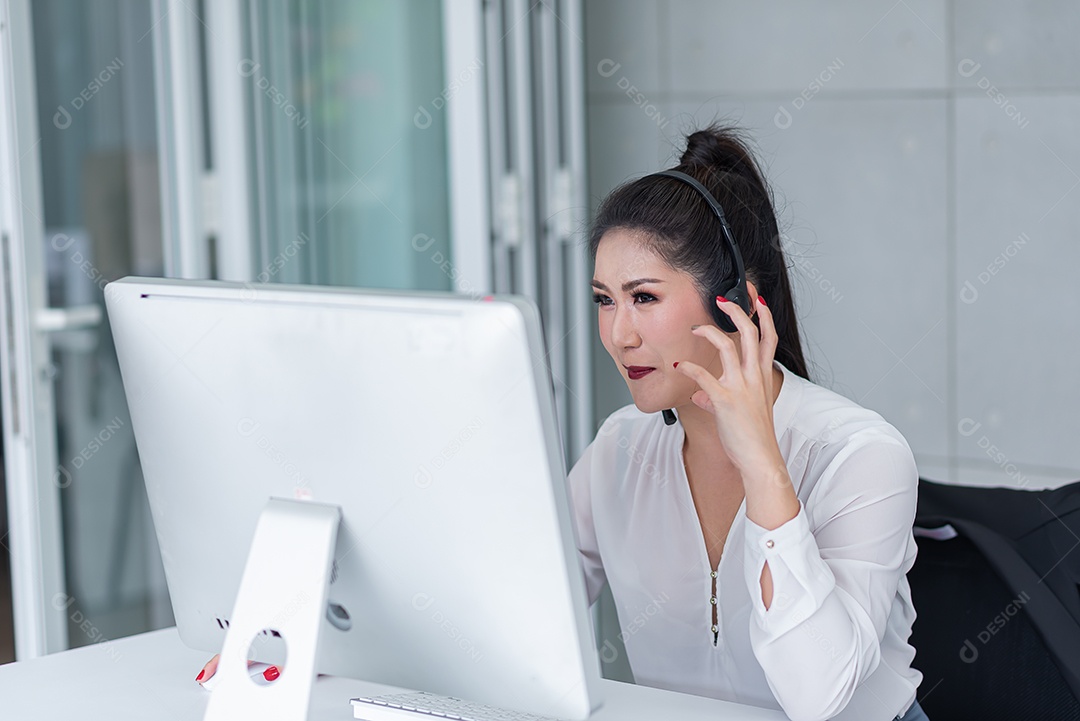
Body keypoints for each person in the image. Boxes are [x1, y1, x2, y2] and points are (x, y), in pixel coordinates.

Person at [573, 124, 929, 721]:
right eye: (604, 299)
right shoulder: (619, 449)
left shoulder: (861, 454)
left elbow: (819, 696)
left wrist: (763, 467)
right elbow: (524, 609)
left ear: (738, 303)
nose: (618, 335)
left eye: (645, 298)